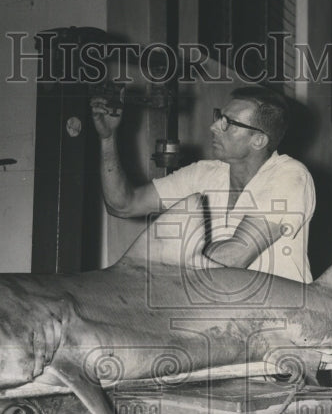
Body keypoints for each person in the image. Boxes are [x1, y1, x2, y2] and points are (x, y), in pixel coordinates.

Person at [91, 87, 316, 283]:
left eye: (228, 123)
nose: (214, 127)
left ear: (258, 140)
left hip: (285, 325)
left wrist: (159, 266)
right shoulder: (204, 174)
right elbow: (123, 204)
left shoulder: (291, 175)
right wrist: (107, 138)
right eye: (219, 116)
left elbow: (235, 255)